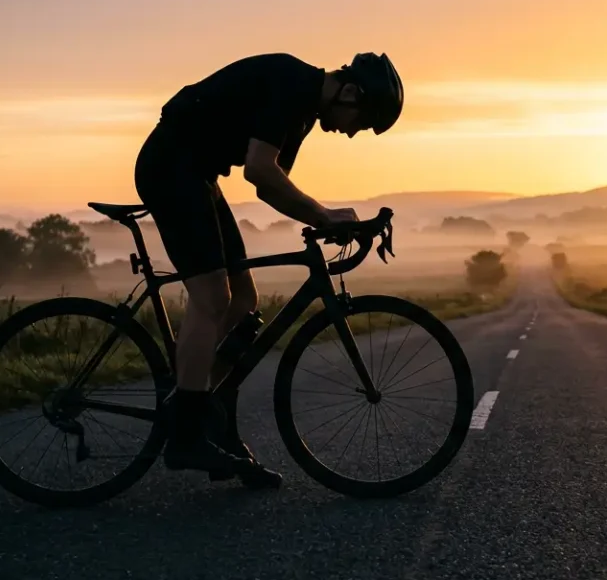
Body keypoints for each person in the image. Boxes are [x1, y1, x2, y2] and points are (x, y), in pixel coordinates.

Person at [133, 51, 404, 488]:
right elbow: (259, 170)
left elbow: (270, 188)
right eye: (363, 119)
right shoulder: (292, 84)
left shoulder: (304, 114)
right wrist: (323, 215)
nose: (353, 133)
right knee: (212, 298)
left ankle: (216, 429)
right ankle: (185, 434)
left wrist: (325, 218)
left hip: (197, 173)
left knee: (243, 301)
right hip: (171, 166)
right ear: (350, 91)